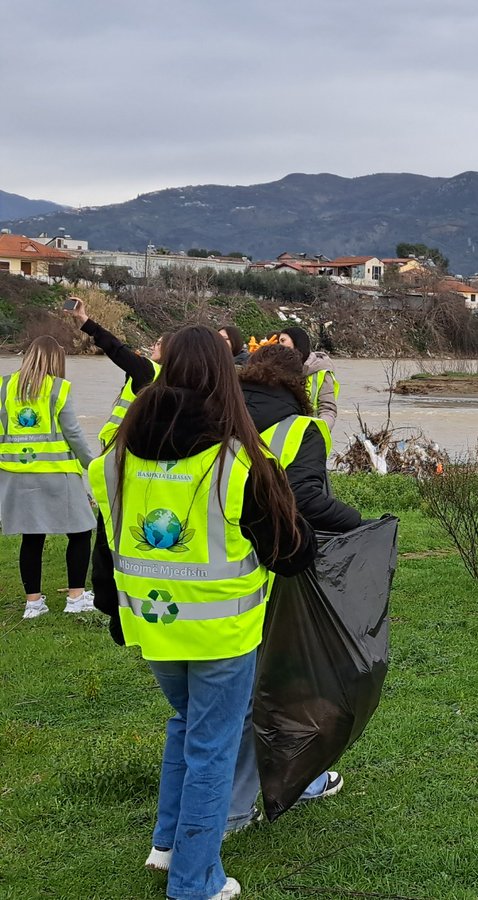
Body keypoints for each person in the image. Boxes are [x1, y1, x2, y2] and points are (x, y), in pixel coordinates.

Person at [89, 326, 314, 900]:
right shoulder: (242, 461)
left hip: (154, 629)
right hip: (221, 631)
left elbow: (106, 544)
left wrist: (111, 608)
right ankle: (195, 881)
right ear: (227, 374)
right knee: (212, 745)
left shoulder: (115, 457)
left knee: (187, 727)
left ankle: (166, 847)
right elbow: (288, 553)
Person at [225, 343, 362, 835]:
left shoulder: (222, 413)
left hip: (209, 575)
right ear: (298, 387)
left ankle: (241, 795)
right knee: (278, 687)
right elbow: (305, 499)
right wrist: (359, 524)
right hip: (273, 571)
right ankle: (263, 798)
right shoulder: (298, 429)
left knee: (226, 699)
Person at [1, 336, 96, 619]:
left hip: (16, 475)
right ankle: (75, 597)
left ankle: (33, 604)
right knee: (80, 532)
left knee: (31, 537)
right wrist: (92, 463)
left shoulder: (5, 386)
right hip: (56, 474)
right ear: (57, 360)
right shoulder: (58, 388)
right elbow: (74, 434)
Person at [67, 297, 163, 447]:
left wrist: (84, 319)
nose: (153, 347)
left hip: (121, 442)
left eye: (158, 343)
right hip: (142, 444)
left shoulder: (147, 369)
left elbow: (114, 347)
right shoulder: (174, 376)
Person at [277, 326, 339, 430]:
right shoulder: (276, 369)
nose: (280, 345)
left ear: (297, 342)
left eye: (283, 341)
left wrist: (319, 430)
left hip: (310, 433)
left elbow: (328, 409)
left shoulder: (321, 370)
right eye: (279, 342)